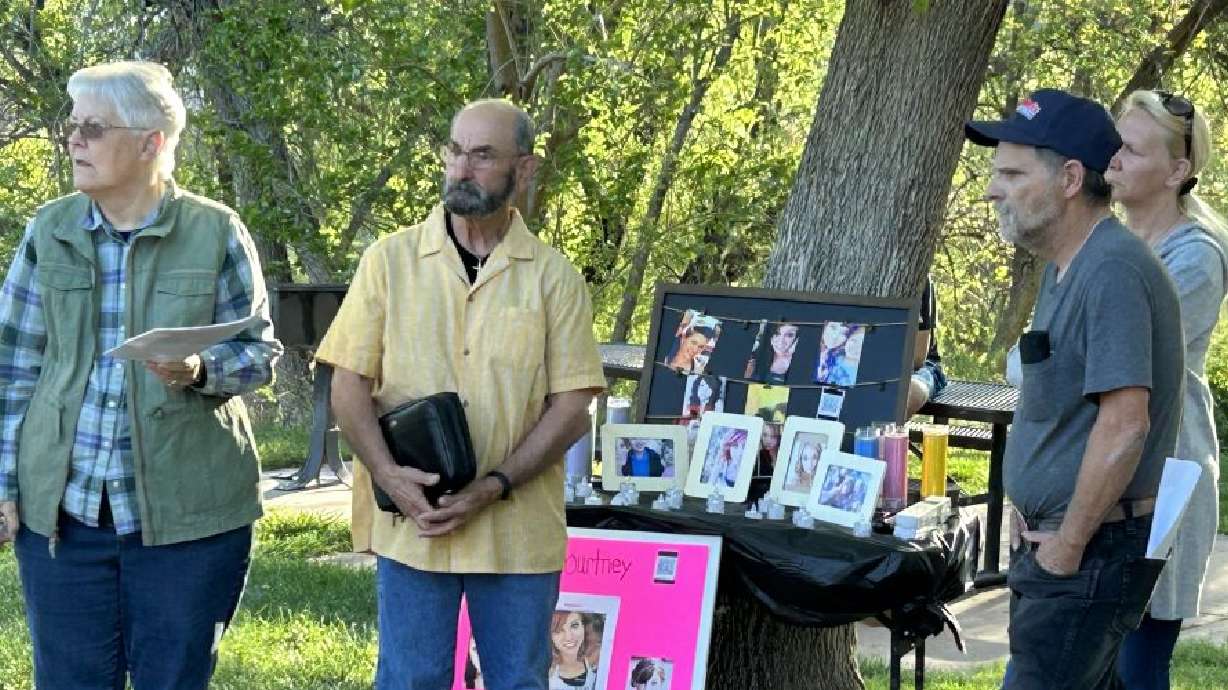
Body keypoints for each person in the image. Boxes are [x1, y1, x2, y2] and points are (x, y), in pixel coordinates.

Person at [0, 61, 281, 689]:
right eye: (72, 126)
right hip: (64, 521)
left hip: (190, 519)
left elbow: (258, 353)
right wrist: (5, 485)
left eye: (93, 128)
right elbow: (10, 368)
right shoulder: (49, 232)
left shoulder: (215, 232)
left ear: (151, 142)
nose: (74, 140)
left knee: (174, 679)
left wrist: (202, 369)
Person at [318, 98, 605, 690]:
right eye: (455, 151)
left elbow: (574, 407)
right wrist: (389, 478)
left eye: (482, 155)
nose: (461, 168)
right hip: (414, 523)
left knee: (520, 682)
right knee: (410, 679)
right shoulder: (389, 261)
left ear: (523, 170)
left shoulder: (555, 276)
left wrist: (493, 487)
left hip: (518, 530)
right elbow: (346, 383)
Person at [966, 88, 1183, 690]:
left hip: (1089, 555)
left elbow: (1125, 424)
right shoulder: (1066, 265)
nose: (992, 190)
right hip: (1065, 546)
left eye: (1011, 173)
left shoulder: (1111, 269)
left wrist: (1067, 544)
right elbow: (1059, 413)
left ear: (1068, 178)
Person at [1107, 90, 1228, 690]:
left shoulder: (1197, 259)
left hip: (1165, 480)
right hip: (1101, 475)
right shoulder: (1109, 245)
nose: (1115, 159)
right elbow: (1037, 356)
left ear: (1177, 171)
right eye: (1116, 143)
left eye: (1132, 148)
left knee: (1137, 669)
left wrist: (1049, 355)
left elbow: (1120, 363)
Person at [906, 278, 948, 415]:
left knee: (908, 393)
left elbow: (918, 358)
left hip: (923, 367)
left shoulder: (919, 279)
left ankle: (884, 435)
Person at [548, 611, 597, 690]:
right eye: (559, 629)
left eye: (574, 625)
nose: (569, 637)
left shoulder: (598, 665)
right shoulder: (541, 672)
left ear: (584, 627)